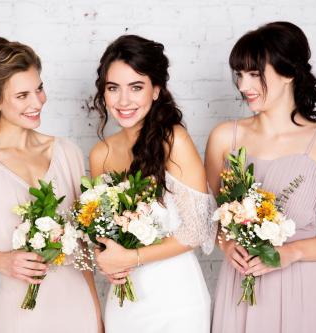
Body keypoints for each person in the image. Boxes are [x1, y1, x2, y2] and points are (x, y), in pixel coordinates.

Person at [205, 22, 316, 333]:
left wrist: (291, 253)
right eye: (239, 74)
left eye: (254, 74)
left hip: (303, 287)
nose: (243, 86)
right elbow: (210, 217)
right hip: (241, 284)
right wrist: (227, 246)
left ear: (289, 73)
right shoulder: (224, 138)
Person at [0, 37, 102, 333]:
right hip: (20, 313)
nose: (37, 102)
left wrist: (97, 319)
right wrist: (1, 261)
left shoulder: (67, 153)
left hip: (77, 308)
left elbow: (83, 250)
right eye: (22, 95)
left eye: (39, 88)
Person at [88, 34, 217, 333]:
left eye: (136, 87)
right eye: (113, 88)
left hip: (176, 297)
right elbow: (101, 229)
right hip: (124, 298)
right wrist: (104, 256)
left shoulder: (174, 140)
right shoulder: (100, 154)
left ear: (156, 90)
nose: (123, 101)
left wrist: (131, 256)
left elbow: (196, 230)